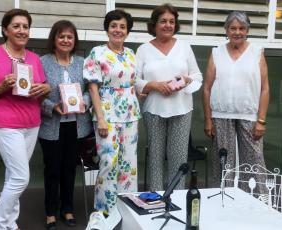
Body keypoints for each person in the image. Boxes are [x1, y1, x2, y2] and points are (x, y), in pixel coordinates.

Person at [0, 9, 50, 230]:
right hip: (5, 124)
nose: (22, 30)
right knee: (21, 178)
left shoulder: (33, 58)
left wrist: (45, 88)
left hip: (31, 124)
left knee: (12, 176)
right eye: (16, 26)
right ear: (6, 30)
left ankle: (10, 224)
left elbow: (44, 90)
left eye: (25, 26)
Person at [83, 9, 142, 230]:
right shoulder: (97, 53)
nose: (118, 30)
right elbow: (92, 86)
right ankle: (104, 212)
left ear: (127, 31)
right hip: (106, 114)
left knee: (129, 165)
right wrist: (100, 117)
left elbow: (134, 83)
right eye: (114, 26)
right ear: (107, 29)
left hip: (130, 115)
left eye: (122, 27)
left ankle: (125, 210)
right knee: (109, 163)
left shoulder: (131, 54)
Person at [135, 3, 202, 192]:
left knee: (178, 158)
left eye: (172, 22)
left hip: (182, 109)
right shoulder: (143, 50)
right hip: (153, 110)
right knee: (155, 156)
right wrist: (153, 85)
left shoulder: (184, 47)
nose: (168, 25)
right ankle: (155, 197)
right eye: (163, 21)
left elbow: (197, 77)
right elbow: (134, 80)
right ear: (154, 24)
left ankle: (177, 196)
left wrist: (186, 80)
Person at [202, 11, 269, 192]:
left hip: (249, 115)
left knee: (254, 161)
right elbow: (207, 88)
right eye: (233, 28)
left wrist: (261, 120)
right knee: (223, 163)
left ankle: (257, 203)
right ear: (226, 30)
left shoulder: (257, 52)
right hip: (221, 115)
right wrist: (208, 119)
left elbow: (265, 88)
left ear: (247, 30)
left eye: (242, 28)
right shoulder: (217, 52)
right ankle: (222, 200)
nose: (237, 32)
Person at [38, 20, 92, 230]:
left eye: (70, 37)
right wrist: (52, 106)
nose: (66, 40)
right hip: (52, 126)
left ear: (74, 40)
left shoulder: (83, 62)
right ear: (54, 39)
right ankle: (50, 212)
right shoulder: (42, 62)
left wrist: (84, 102)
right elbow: (35, 94)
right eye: (61, 36)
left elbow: (91, 90)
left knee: (70, 169)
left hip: (77, 126)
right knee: (52, 169)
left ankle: (67, 209)